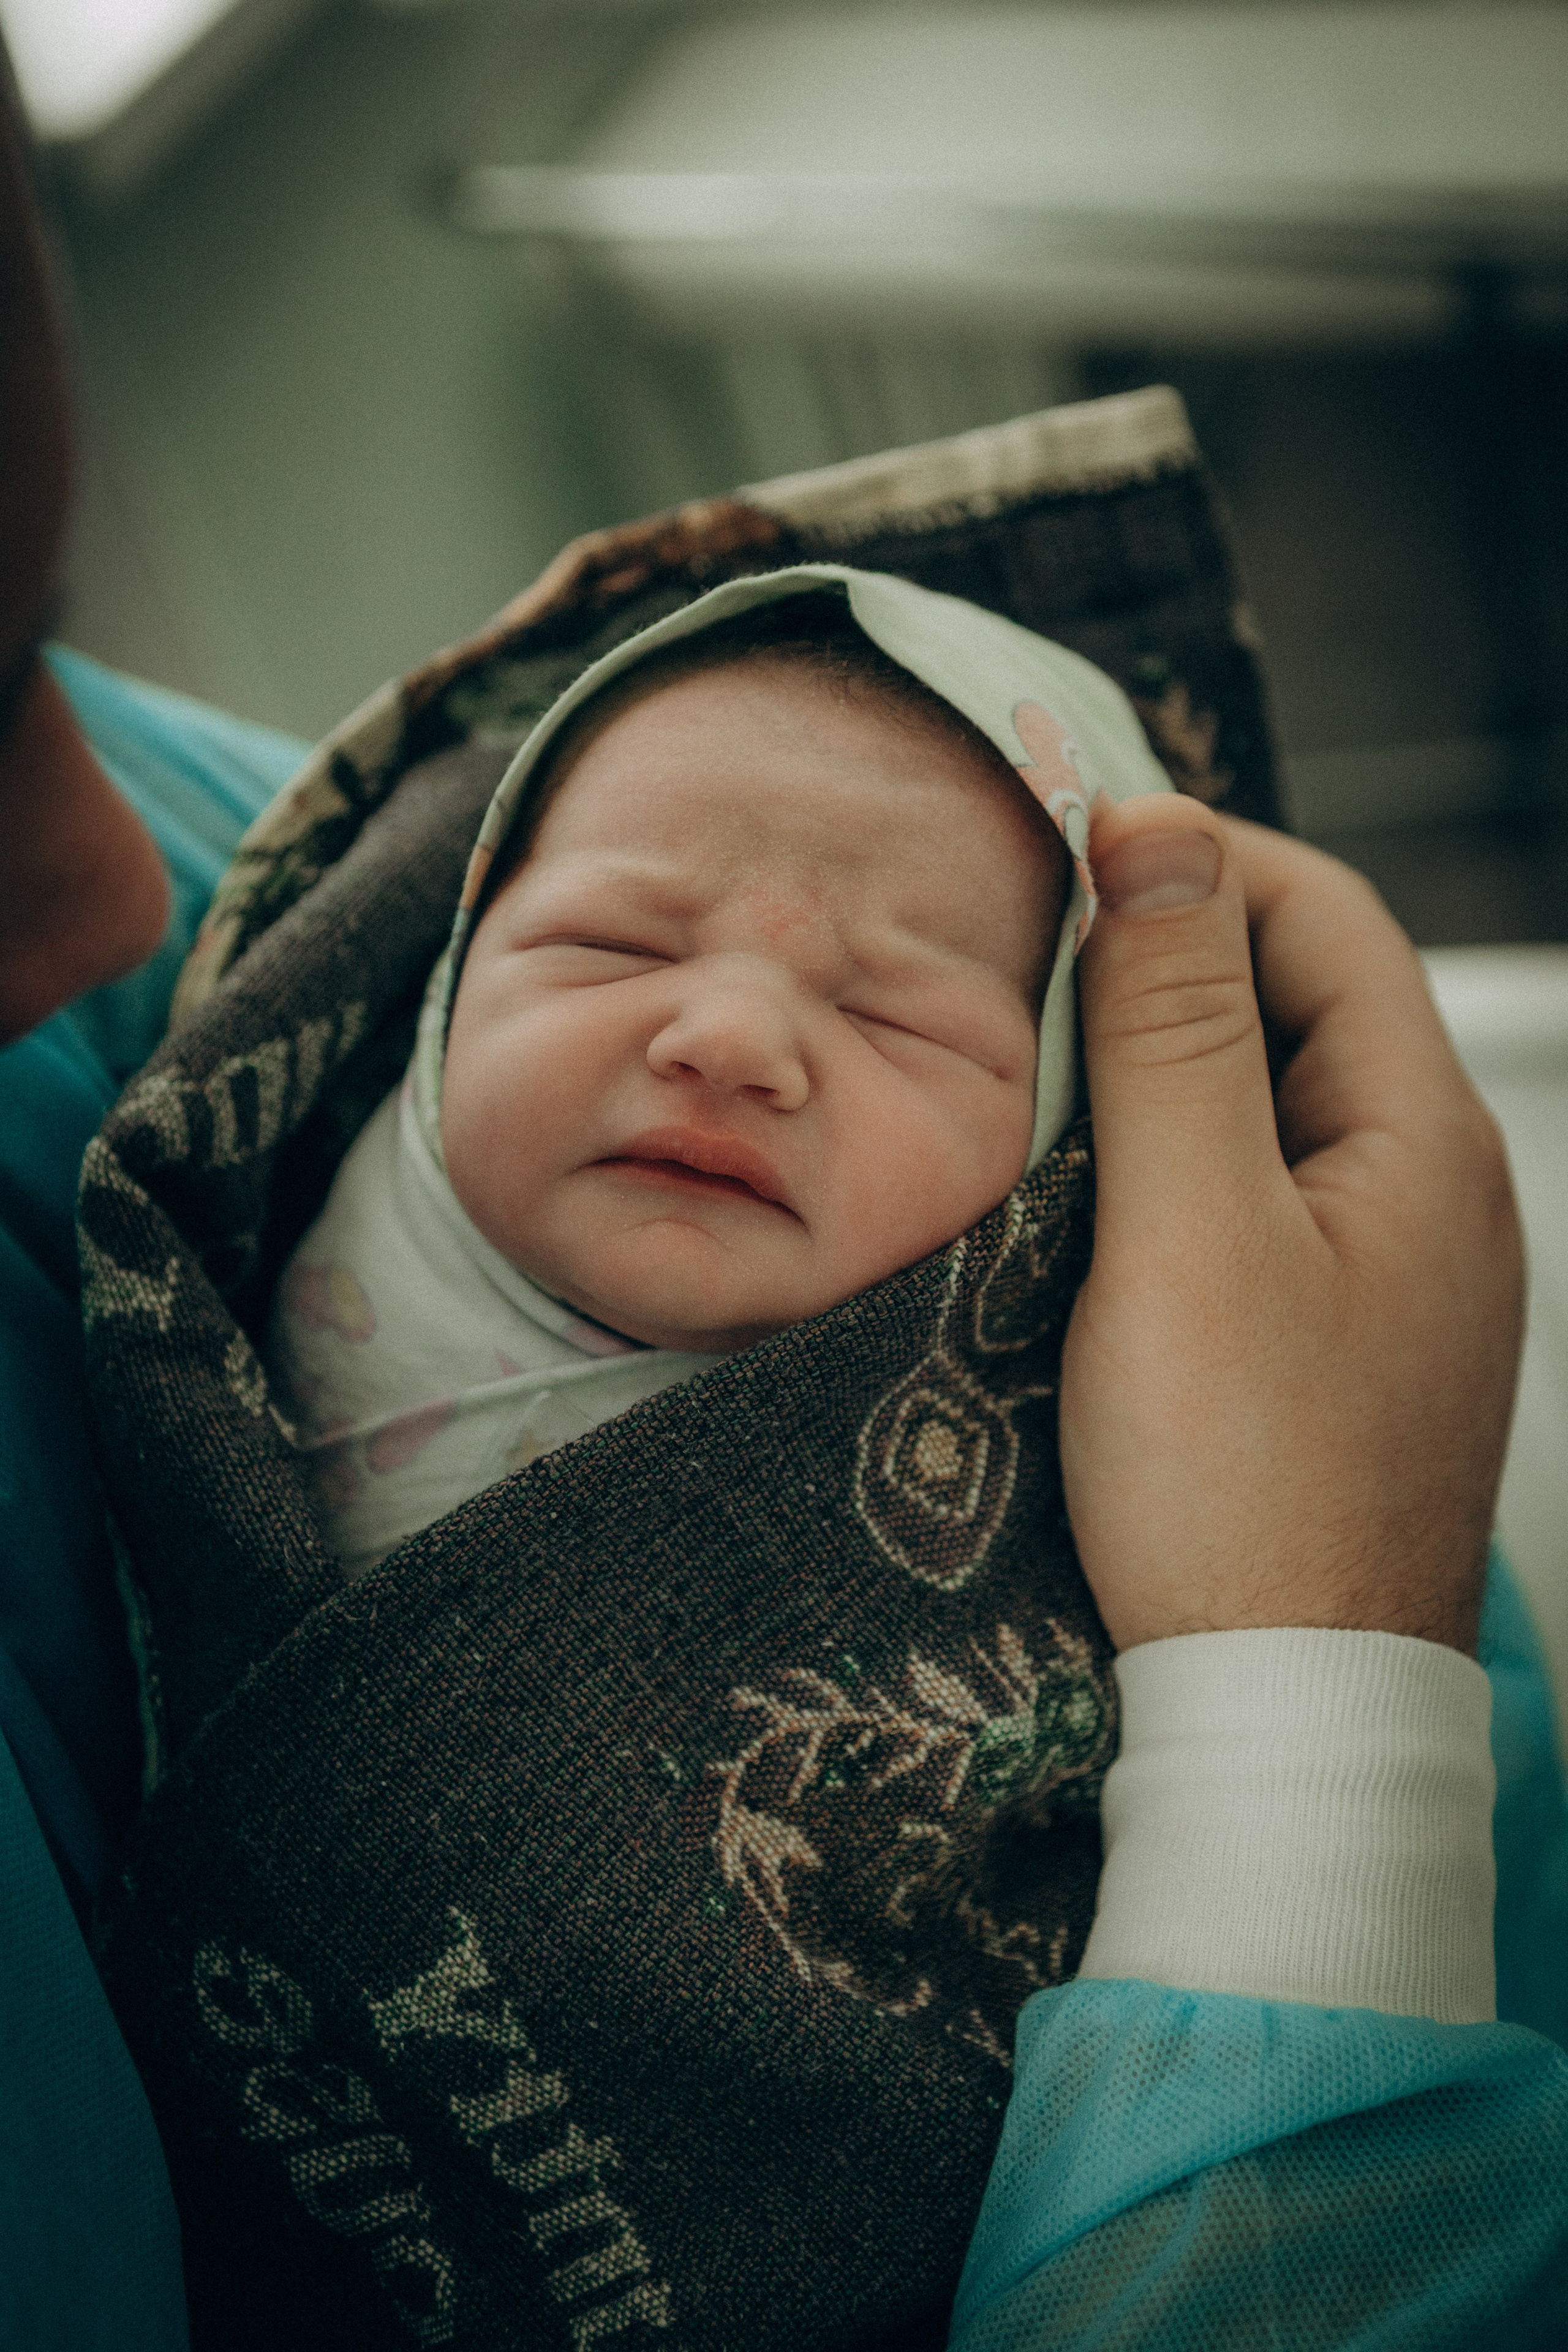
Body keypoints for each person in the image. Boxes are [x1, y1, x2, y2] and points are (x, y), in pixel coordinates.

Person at [2, 47, 1566, 2350]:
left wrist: (1315, 1624)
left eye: (916, 1024)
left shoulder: (199, 885)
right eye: (611, 948)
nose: (725, 1038)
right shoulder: (288, 1212)